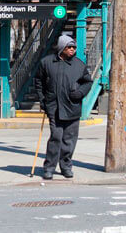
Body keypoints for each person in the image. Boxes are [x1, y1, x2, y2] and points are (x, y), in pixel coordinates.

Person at [34, 34, 92, 180]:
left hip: (72, 107)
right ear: (61, 48)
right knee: (56, 137)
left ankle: (66, 166)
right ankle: (49, 168)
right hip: (54, 107)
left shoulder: (79, 64)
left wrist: (79, 93)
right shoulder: (46, 62)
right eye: (69, 47)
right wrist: (43, 100)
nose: (72, 49)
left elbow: (88, 82)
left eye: (73, 47)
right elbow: (39, 82)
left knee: (69, 139)